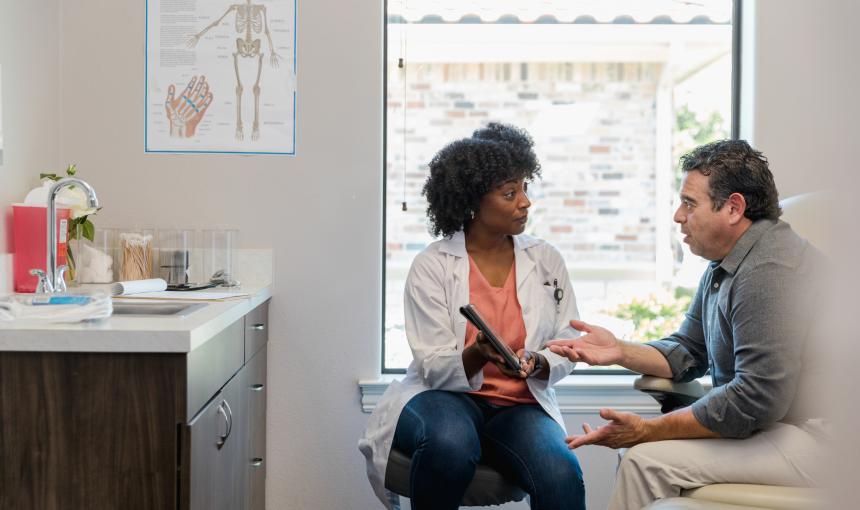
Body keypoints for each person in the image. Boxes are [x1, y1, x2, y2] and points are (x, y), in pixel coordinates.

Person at [547, 139, 826, 509]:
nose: (679, 215)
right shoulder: (727, 262)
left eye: (689, 203)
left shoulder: (769, 270)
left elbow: (756, 399)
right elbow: (689, 351)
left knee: (644, 463)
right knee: (640, 456)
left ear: (733, 208)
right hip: (783, 427)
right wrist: (619, 351)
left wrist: (647, 431)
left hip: (824, 441)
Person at [359, 123, 586, 510]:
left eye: (525, 188)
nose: (525, 202)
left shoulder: (545, 260)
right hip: (444, 397)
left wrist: (540, 361)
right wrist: (478, 352)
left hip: (519, 405)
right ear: (472, 202)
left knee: (560, 469)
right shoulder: (433, 265)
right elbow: (433, 365)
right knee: (449, 444)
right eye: (510, 193)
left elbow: (569, 335)